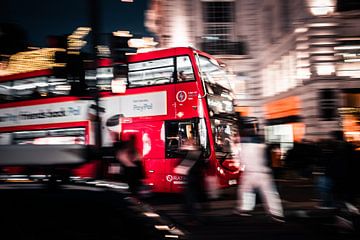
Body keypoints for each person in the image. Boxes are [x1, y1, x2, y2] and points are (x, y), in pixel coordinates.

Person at [234, 134, 285, 222]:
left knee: (246, 190)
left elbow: (240, 162)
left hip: (250, 172)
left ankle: (245, 208)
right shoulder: (261, 146)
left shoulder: (244, 147)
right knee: (269, 193)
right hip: (262, 172)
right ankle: (276, 213)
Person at [174, 138, 207, 223]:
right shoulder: (198, 154)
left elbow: (179, 167)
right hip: (196, 180)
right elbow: (203, 166)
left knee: (189, 200)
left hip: (190, 180)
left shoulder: (190, 154)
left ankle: (193, 217)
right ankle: (194, 216)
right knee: (192, 199)